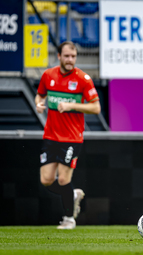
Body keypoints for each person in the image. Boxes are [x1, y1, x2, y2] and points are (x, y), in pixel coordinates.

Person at [35, 41, 101, 229]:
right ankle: (71, 195)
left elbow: (96, 107)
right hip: (50, 136)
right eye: (67, 56)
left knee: (64, 179)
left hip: (72, 138)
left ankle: (69, 218)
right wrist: (39, 104)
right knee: (46, 180)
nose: (70, 60)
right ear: (59, 56)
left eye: (73, 56)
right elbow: (40, 95)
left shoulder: (83, 78)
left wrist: (72, 105)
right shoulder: (48, 75)